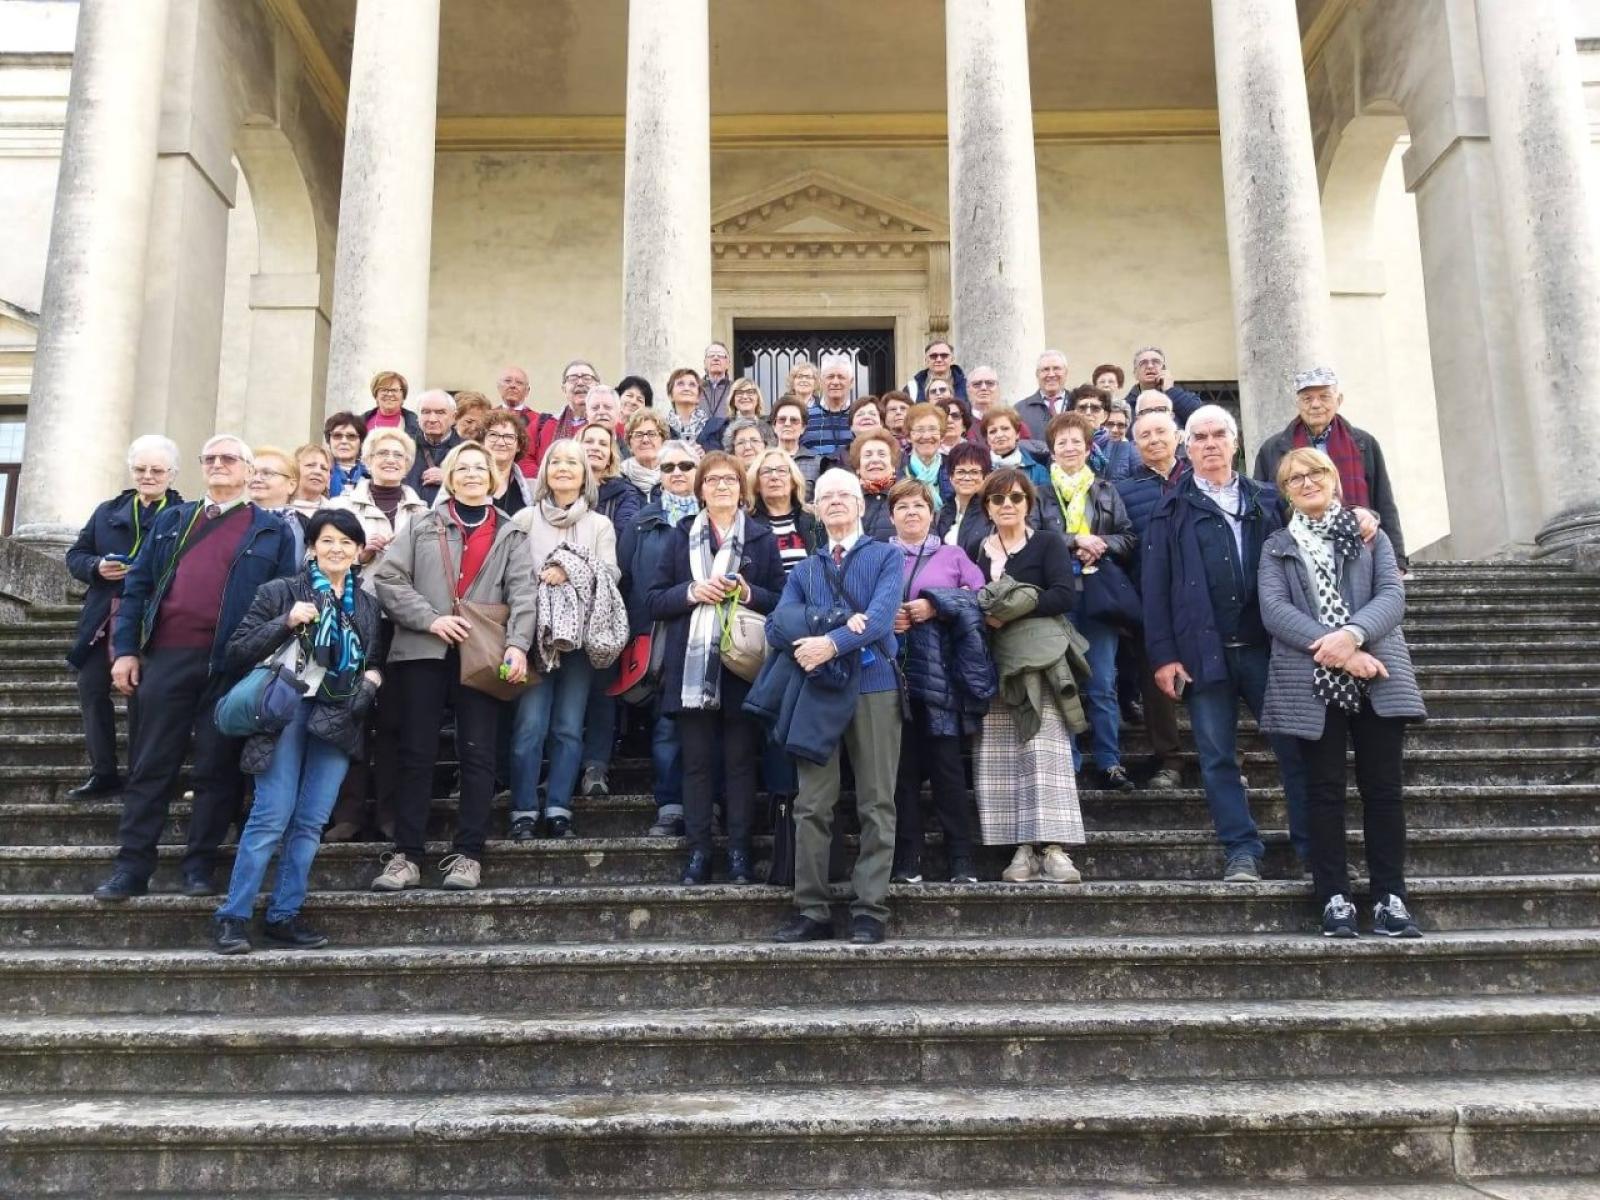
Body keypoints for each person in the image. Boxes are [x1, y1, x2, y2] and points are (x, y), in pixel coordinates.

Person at [92, 435, 302, 902]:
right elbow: (138, 588)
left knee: (216, 768)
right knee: (149, 766)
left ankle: (199, 866)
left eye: (229, 459)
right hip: (166, 658)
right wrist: (125, 651)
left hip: (230, 665)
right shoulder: (173, 520)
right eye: (210, 459)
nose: (219, 465)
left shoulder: (271, 530)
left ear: (249, 471)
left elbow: (282, 601)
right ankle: (132, 867)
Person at [1259, 447, 1425, 938]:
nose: (1307, 483)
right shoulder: (1276, 546)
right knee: (1324, 792)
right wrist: (1342, 653)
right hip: (1314, 679)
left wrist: (1352, 635)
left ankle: (1390, 898)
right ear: (1286, 492)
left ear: (1333, 479)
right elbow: (1274, 610)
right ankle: (1333, 896)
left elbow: (1391, 597)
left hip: (1379, 674)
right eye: (1295, 479)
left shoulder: (1370, 536)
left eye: (1315, 474)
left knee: (1383, 791)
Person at [1142, 406, 1310, 883]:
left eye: (1219, 435)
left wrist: (1365, 516)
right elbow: (1155, 590)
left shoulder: (1269, 500)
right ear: (1186, 447)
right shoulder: (1168, 509)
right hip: (1202, 654)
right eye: (1200, 437)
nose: (1210, 444)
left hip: (1269, 649)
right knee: (1216, 758)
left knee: (1294, 750)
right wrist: (1164, 655)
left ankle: (1310, 845)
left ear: (1235, 443)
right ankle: (1240, 849)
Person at [211, 508, 384, 954]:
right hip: (283, 712)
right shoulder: (281, 591)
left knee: (309, 823)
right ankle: (233, 917)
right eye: (327, 540)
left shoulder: (366, 604)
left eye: (347, 542)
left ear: (358, 551)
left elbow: (375, 662)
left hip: (337, 716)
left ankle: (283, 915)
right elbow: (236, 651)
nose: (337, 549)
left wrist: (369, 684)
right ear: (311, 546)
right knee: (271, 816)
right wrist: (286, 621)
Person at [371, 441, 535, 892]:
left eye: (479, 468)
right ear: (448, 475)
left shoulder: (511, 532)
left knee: (479, 753)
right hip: (422, 652)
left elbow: (524, 594)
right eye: (461, 468)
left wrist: (519, 645)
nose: (470, 475)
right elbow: (387, 578)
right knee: (416, 753)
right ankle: (406, 855)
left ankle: (468, 854)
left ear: (493, 476)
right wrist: (431, 619)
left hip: (482, 653)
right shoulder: (422, 524)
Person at [768, 469, 904, 946]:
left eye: (846, 494)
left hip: (875, 685)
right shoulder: (805, 569)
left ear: (863, 505)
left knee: (876, 801)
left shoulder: (888, 556)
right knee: (811, 804)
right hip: (819, 691)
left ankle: (870, 909)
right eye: (827, 497)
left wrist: (828, 640)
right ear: (816, 508)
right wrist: (846, 626)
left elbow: (883, 618)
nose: (837, 502)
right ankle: (812, 909)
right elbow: (778, 627)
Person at [648, 452, 783, 884]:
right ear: (700, 488)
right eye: (712, 480)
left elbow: (782, 599)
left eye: (729, 480)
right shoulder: (679, 536)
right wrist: (691, 592)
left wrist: (749, 594)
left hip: (741, 670)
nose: (721, 486)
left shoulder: (761, 539)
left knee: (741, 763)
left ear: (742, 489)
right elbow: (653, 600)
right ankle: (699, 852)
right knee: (697, 764)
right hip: (691, 669)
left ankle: (740, 853)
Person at [971, 469, 1087, 885]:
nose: (1007, 505)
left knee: (1045, 749)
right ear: (986, 507)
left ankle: (1054, 848)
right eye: (998, 499)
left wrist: (1010, 609)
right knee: (1001, 755)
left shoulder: (1047, 542)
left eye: (1016, 498)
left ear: (1028, 504)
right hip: (995, 661)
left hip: (1040, 659)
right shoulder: (976, 549)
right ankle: (1020, 848)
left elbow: (1063, 594)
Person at [508, 439, 619, 839]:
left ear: (585, 474)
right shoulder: (522, 519)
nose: (564, 468)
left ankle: (558, 808)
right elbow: (511, 575)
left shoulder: (599, 524)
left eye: (573, 462)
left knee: (569, 727)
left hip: (579, 642)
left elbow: (612, 575)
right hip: (533, 639)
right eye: (556, 461)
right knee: (529, 726)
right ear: (545, 471)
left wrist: (569, 567)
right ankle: (522, 811)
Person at [65, 435, 183, 799]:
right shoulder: (106, 511)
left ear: (172, 474)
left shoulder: (184, 513)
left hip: (152, 617)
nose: (148, 476)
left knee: (142, 696)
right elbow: (76, 555)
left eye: (157, 470)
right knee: (91, 689)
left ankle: (141, 774)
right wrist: (97, 566)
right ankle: (102, 771)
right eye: (141, 469)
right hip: (102, 615)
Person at [886, 480, 989, 885]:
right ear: (891, 515)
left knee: (947, 772)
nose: (911, 512)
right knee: (902, 774)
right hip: (894, 678)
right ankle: (908, 857)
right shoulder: (879, 556)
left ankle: (960, 858)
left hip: (942, 679)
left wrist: (936, 604)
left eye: (919, 505)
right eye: (902, 506)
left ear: (932, 513)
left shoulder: (954, 554)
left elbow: (981, 598)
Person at [1040, 412, 1137, 792]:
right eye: (1061, 442)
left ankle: (1109, 760)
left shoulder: (1106, 490)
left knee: (1101, 682)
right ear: (1052, 449)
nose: (1068, 447)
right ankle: (1069, 761)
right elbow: (1033, 537)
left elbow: (1128, 538)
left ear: (1087, 447)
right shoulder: (1040, 492)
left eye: (1075, 441)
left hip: (1099, 597)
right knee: (1062, 682)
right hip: (1058, 597)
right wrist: (1074, 541)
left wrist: (1101, 544)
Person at [618, 440, 700, 838]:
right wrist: (636, 635)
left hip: (706, 628)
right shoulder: (642, 522)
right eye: (669, 467)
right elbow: (627, 580)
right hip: (658, 629)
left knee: (707, 722)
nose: (678, 473)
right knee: (666, 722)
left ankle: (706, 804)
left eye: (686, 465)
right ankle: (670, 805)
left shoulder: (715, 518)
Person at [1253, 366, 1408, 569]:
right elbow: (1263, 510)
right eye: (1307, 398)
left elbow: (1384, 501)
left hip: (1359, 548)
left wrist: (1397, 560)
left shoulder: (1363, 444)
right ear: (1298, 404)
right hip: (1298, 554)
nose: (1316, 405)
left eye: (1324, 397)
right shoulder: (1273, 449)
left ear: (1339, 400)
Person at [1115, 409, 1191, 790]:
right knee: (1156, 685)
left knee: (1211, 682)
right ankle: (1169, 758)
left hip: (1201, 600)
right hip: (1150, 601)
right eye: (1145, 435)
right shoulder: (1124, 491)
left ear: (1178, 437)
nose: (1154, 440)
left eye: (1162, 432)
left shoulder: (1199, 480)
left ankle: (1222, 756)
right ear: (1135, 444)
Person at [578, 420, 640, 796]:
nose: (596, 448)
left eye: (603, 443)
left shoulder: (624, 493)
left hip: (607, 600)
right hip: (559, 605)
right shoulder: (555, 491)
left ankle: (595, 766)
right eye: (589, 441)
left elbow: (624, 537)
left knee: (601, 690)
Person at [328, 429, 429, 568]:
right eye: (382, 453)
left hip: (406, 589)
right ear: (368, 460)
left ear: (407, 464)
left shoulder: (423, 514)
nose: (391, 460)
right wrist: (360, 557)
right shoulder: (340, 507)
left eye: (398, 455)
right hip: (355, 588)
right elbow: (317, 556)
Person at [748, 448, 818, 575]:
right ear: (757, 484)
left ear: (793, 481)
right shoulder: (747, 525)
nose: (774, 476)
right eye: (766, 471)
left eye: (781, 470)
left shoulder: (813, 519)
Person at [522, 360, 597, 475]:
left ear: (596, 386)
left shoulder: (609, 425)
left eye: (587, 378)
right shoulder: (543, 424)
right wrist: (547, 480)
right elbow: (524, 458)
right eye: (573, 378)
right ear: (564, 389)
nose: (580, 383)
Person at [246, 446, 306, 559]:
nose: (256, 479)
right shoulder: (234, 520)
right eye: (252, 473)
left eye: (267, 473)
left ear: (291, 485)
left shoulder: (306, 527)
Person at [935, 441, 993, 554]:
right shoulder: (941, 514)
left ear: (985, 476)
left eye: (974, 472)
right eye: (960, 472)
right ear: (951, 476)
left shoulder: (992, 514)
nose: (967, 477)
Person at [1122, 346, 1204, 426]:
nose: (1150, 366)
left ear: (1164, 370)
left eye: (1156, 362)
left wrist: (1170, 390)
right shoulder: (1125, 407)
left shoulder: (1181, 398)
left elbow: (1202, 419)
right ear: (1135, 374)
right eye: (1143, 363)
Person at [406, 389, 462, 504]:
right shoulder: (404, 448)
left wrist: (450, 479)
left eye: (440, 412)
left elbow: (481, 487)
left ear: (454, 417)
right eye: (425, 412)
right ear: (417, 416)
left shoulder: (467, 451)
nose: (432, 419)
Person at [801, 354, 855, 468]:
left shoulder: (860, 417)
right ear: (820, 382)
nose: (835, 382)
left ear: (851, 382)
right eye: (830, 377)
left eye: (841, 377)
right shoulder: (805, 416)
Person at [980, 406, 1050, 489]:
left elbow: (1046, 501)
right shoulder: (980, 470)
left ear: (1017, 434)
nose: (999, 435)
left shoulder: (1038, 472)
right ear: (987, 439)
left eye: (1005, 429)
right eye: (993, 431)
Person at [900, 402, 953, 512]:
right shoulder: (897, 469)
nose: (927, 436)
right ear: (909, 437)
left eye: (933, 429)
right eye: (920, 430)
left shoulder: (953, 467)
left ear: (942, 436)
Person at [481, 410, 535, 516]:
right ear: (483, 442)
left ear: (519, 446)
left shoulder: (533, 491)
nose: (501, 442)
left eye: (509, 437)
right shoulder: (465, 481)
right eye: (493, 435)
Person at [851, 429, 901, 541]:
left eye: (882, 454)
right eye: (867, 455)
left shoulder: (907, 495)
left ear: (893, 465)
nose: (875, 460)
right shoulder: (848, 498)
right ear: (858, 467)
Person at [1016, 349, 1073, 441]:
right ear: (1037, 374)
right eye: (1045, 369)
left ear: (1066, 373)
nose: (1051, 374)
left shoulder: (1078, 404)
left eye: (1056, 368)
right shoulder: (1020, 410)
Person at [771, 393, 822, 493]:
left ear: (803, 428)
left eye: (794, 420)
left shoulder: (817, 463)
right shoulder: (762, 460)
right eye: (782, 419)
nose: (787, 423)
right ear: (774, 426)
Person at [704, 378, 768, 451]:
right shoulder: (720, 429)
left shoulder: (768, 427)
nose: (745, 397)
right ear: (733, 400)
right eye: (739, 393)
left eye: (750, 392)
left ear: (758, 399)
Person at [360, 369, 423, 441]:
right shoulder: (360, 423)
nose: (389, 394)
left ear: (403, 396)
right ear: (376, 395)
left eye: (394, 390)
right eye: (384, 390)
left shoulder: (418, 424)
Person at [622, 408, 669, 501]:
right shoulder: (619, 477)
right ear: (629, 443)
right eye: (638, 435)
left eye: (652, 434)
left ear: (663, 440)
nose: (645, 440)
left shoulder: (676, 474)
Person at [904, 339, 967, 403]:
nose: (939, 359)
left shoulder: (967, 386)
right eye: (933, 356)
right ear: (926, 360)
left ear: (952, 359)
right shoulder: (912, 388)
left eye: (944, 355)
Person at [324, 412, 370, 497]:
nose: (344, 441)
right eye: (337, 435)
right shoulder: (320, 473)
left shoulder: (372, 475)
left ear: (361, 442)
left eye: (351, 436)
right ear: (329, 441)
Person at [665, 366, 708, 447]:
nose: (687, 388)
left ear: (699, 397)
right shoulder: (661, 429)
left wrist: (706, 455)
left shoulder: (716, 428)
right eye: (680, 384)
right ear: (670, 395)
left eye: (692, 385)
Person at [290, 444, 331, 521]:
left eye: (324, 468)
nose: (318, 471)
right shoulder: (277, 508)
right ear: (294, 470)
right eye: (310, 465)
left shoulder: (335, 512)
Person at [701, 341, 734, 419]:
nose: (715, 358)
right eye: (711, 355)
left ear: (728, 363)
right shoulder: (695, 389)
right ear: (705, 363)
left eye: (721, 355)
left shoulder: (735, 389)